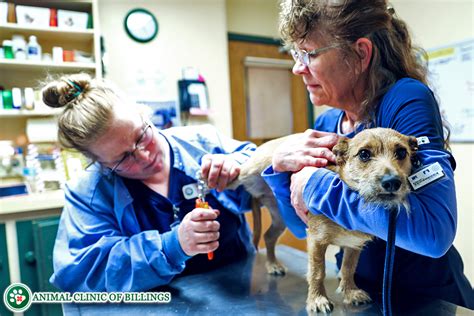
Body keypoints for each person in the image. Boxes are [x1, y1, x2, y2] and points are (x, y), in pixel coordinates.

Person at [262, 0, 474, 309]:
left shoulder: (405, 99)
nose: (297, 67)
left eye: (309, 54)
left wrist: (316, 184)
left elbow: (433, 234)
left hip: (424, 295)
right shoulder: (327, 124)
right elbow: (304, 226)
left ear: (360, 53)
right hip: (356, 287)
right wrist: (280, 172)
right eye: (296, 55)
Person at [43, 73, 256, 292]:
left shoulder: (203, 142)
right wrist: (171, 246)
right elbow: (84, 273)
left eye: (141, 136)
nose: (145, 157)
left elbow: (258, 167)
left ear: (144, 114)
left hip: (239, 286)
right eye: (123, 158)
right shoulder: (88, 193)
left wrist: (239, 166)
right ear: (101, 164)